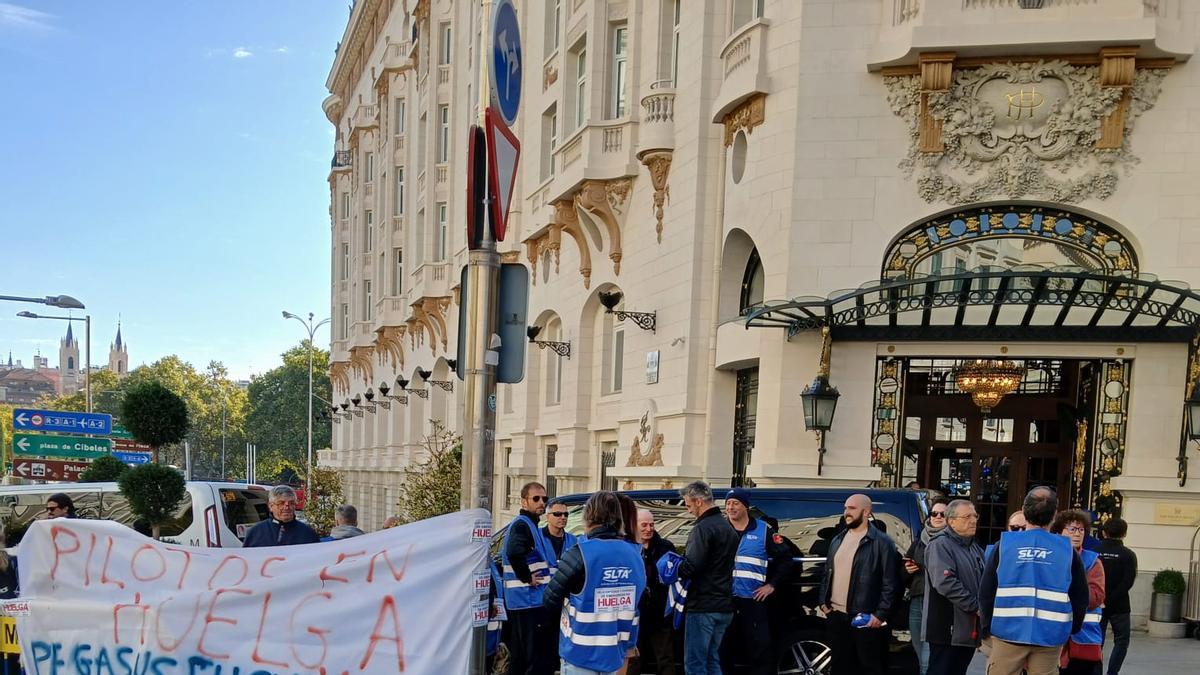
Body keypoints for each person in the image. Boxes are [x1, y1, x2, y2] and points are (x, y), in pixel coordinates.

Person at [979, 487, 1089, 675]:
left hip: (1007, 633)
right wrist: (1071, 628)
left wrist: (986, 627)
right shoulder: (1067, 550)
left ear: (1024, 509)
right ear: (1055, 515)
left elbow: (986, 591)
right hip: (1050, 634)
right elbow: (1080, 596)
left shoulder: (1004, 546)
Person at [543, 491, 647, 675]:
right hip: (615, 653)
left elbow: (550, 599)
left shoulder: (579, 553)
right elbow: (640, 599)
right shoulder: (635, 554)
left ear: (588, 516)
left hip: (580, 653)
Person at [819, 494, 898, 675]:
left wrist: (879, 616)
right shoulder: (837, 540)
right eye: (846, 508)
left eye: (852, 508)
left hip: (866, 619)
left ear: (866, 511)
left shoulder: (882, 542)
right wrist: (824, 604)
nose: (847, 512)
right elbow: (827, 573)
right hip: (837, 617)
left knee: (868, 668)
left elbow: (890, 583)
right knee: (840, 667)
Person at [720, 487, 794, 675]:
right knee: (723, 651)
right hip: (724, 600)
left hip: (752, 601)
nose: (730, 507)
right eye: (728, 503)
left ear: (745, 506)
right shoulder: (718, 528)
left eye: (735, 503)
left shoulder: (763, 531)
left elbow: (786, 559)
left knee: (759, 652)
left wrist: (771, 585)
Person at [677, 481, 738, 675]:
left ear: (698, 502)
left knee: (695, 664)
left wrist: (673, 566)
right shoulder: (727, 526)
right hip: (724, 603)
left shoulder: (703, 528)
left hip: (703, 604)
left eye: (688, 505)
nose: (688, 511)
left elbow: (691, 566)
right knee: (712, 660)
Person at [923, 499, 984, 675]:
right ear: (951, 521)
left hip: (967, 630)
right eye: (966, 517)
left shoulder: (974, 548)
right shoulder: (940, 545)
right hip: (946, 630)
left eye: (975, 516)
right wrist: (975, 606)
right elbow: (945, 583)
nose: (973, 520)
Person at [502, 481, 555, 675]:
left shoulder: (529, 525)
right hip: (528, 600)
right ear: (524, 502)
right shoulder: (523, 525)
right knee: (533, 659)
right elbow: (514, 552)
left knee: (521, 658)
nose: (541, 502)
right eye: (536, 498)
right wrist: (527, 577)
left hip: (525, 602)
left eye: (544, 499)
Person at [1050, 510, 1105, 675]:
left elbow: (1096, 597)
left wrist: (1068, 585)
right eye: (1072, 529)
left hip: (1083, 639)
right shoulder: (1050, 557)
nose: (1077, 534)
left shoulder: (1093, 561)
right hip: (1051, 636)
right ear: (1059, 532)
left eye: (1081, 530)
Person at [905, 497, 949, 675]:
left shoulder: (951, 540)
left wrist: (922, 567)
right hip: (917, 596)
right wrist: (907, 569)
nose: (937, 517)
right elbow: (904, 568)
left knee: (928, 654)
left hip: (938, 600)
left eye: (942, 514)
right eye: (934, 513)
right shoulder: (920, 539)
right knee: (918, 646)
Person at [631, 509, 677, 675]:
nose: (649, 529)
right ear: (634, 525)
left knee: (665, 657)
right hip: (634, 612)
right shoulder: (627, 547)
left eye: (651, 524)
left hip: (660, 611)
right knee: (633, 658)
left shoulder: (666, 547)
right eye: (644, 525)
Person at [540, 499, 579, 670]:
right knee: (543, 648)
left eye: (565, 514)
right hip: (541, 600)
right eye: (557, 514)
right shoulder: (538, 538)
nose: (562, 517)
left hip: (566, 602)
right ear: (548, 516)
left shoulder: (573, 541)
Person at [1095, 518, 1136, 675]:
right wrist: (1112, 597)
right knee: (1122, 641)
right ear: (1124, 534)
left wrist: (1102, 598)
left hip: (1098, 604)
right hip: (1120, 606)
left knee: (1096, 641)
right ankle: (1112, 672)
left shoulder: (1094, 552)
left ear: (1104, 532)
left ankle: (1096, 670)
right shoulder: (1128, 555)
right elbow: (1128, 581)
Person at [243, 485, 320, 547]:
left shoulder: (307, 533)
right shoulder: (255, 533)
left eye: (291, 503)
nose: (287, 507)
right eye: (281, 503)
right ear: (270, 506)